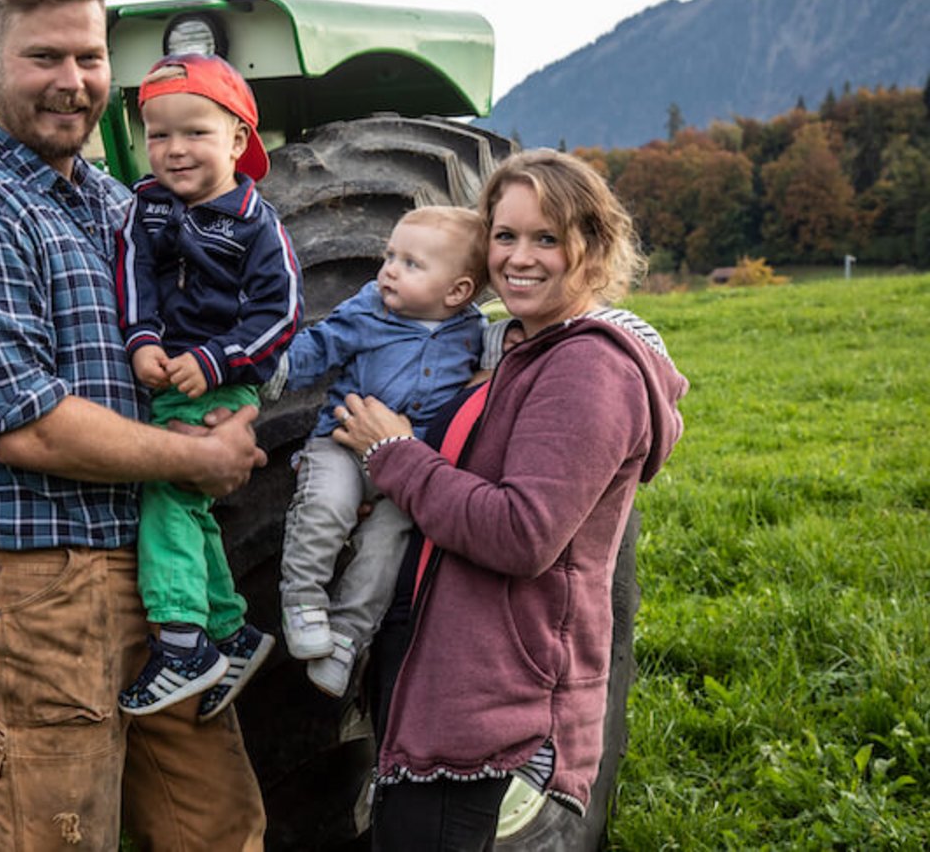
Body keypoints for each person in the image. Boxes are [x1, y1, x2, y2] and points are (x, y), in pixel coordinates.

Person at [0, 0, 267, 852]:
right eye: (44, 58)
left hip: (149, 561)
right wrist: (200, 457)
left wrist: (232, 404)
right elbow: (27, 426)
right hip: (34, 585)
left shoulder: (109, 199)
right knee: (60, 838)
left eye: (90, 59)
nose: (73, 83)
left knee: (216, 824)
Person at [330, 149, 688, 850]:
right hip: (448, 688)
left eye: (546, 238)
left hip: (496, 711)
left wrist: (394, 456)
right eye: (505, 236)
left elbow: (523, 531)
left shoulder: (588, 366)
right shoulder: (518, 349)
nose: (520, 257)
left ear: (593, 244)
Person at [114, 53, 301, 718]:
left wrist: (218, 361)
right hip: (167, 373)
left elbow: (279, 314)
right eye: (158, 134)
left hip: (223, 381)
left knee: (166, 495)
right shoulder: (147, 205)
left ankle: (182, 643)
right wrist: (140, 340)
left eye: (195, 132)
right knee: (191, 513)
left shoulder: (256, 223)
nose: (174, 149)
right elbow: (133, 276)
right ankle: (231, 632)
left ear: (239, 140)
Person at [266, 206, 487, 697]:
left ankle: (347, 635)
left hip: (406, 467)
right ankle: (303, 600)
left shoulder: (474, 334)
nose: (389, 268)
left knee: (388, 544)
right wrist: (271, 371)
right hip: (342, 445)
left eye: (411, 263)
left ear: (457, 292)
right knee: (327, 507)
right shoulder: (369, 308)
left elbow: (500, 367)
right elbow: (321, 345)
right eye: (390, 255)